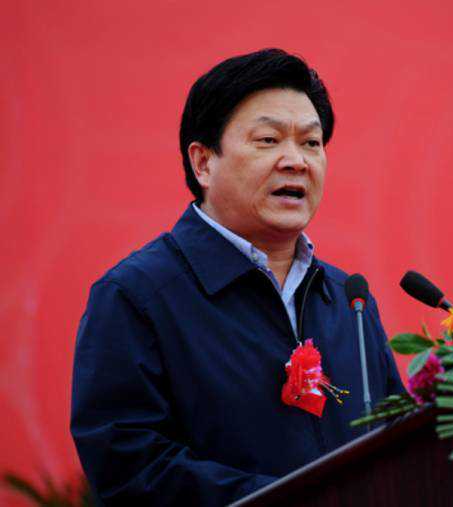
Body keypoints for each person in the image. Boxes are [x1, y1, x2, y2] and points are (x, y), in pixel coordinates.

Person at [70, 48, 405, 506]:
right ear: (203, 163)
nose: (296, 161)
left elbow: (399, 443)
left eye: (311, 143)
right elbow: (131, 470)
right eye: (269, 140)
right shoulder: (136, 297)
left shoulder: (349, 300)